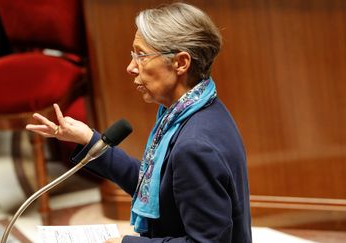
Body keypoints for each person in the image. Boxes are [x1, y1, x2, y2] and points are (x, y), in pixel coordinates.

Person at [26, 2, 252, 242]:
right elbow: (156, 187)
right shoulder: (202, 108)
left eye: (142, 55)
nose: (131, 67)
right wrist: (89, 140)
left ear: (181, 63)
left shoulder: (194, 146)